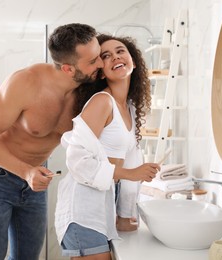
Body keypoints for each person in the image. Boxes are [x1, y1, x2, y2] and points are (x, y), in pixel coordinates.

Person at [0, 23, 104, 260]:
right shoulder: (25, 83)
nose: (100, 64)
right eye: (93, 61)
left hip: (35, 181)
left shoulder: (88, 90)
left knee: (28, 257)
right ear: (68, 69)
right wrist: (26, 172)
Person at [55, 34, 160, 260]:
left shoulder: (130, 108)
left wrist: (124, 213)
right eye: (106, 56)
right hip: (83, 209)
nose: (116, 57)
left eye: (120, 51)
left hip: (104, 206)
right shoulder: (102, 102)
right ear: (102, 71)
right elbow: (77, 161)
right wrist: (131, 173)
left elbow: (131, 160)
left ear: (132, 59)